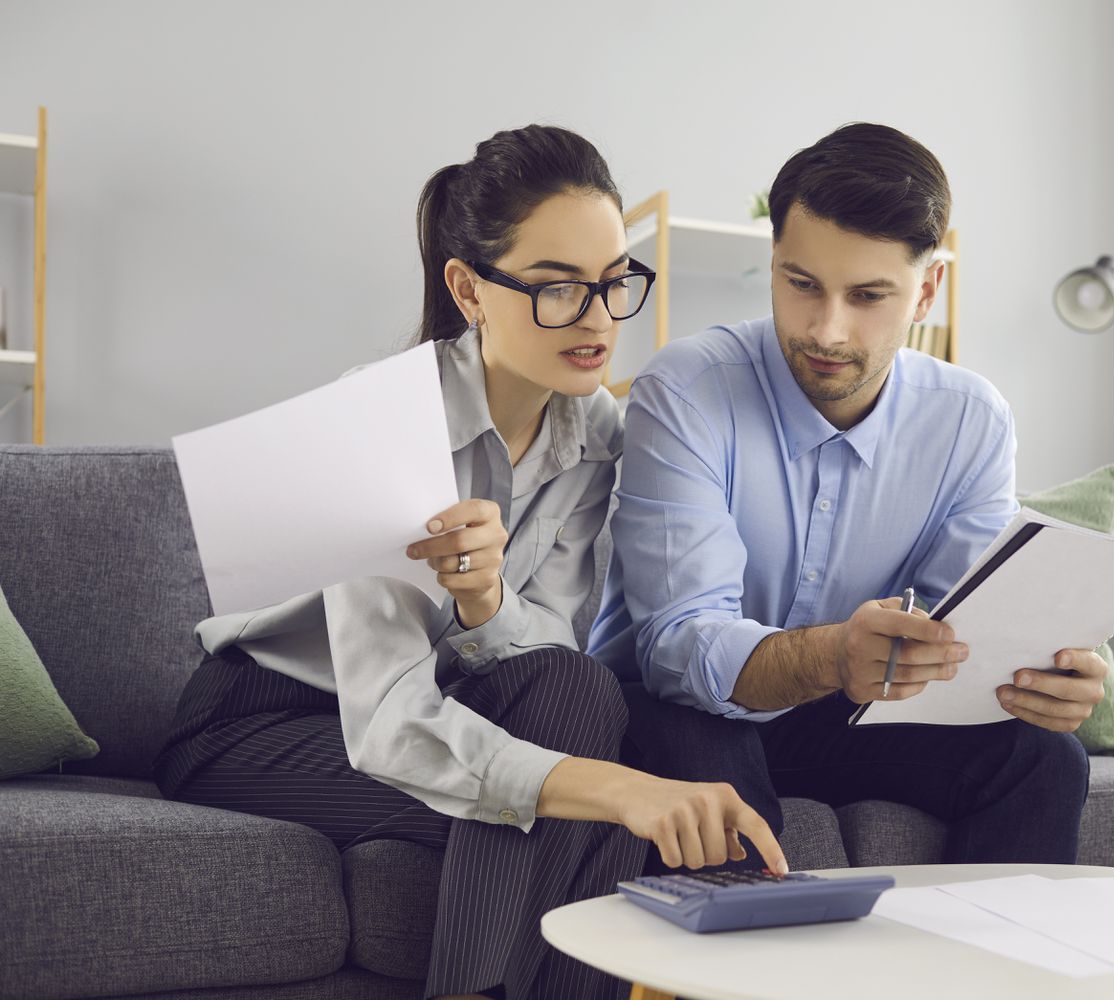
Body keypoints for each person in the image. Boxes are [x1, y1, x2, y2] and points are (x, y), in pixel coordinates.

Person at [153, 125, 783, 1000]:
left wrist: (486, 604)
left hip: (471, 704)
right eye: (558, 288)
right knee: (589, 808)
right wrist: (623, 790)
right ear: (469, 288)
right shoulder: (379, 421)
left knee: (581, 698)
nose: (598, 318)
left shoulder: (598, 436)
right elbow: (390, 723)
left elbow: (549, 665)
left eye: (612, 283)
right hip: (261, 725)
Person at [589, 122, 1105, 873]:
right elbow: (677, 646)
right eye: (802, 285)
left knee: (1043, 757)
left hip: (844, 717)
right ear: (773, 264)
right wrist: (834, 655)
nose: (826, 330)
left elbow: (960, 628)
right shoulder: (687, 389)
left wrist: (1039, 676)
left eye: (868, 296)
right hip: (678, 709)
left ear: (927, 290)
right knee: (713, 761)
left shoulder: (970, 418)